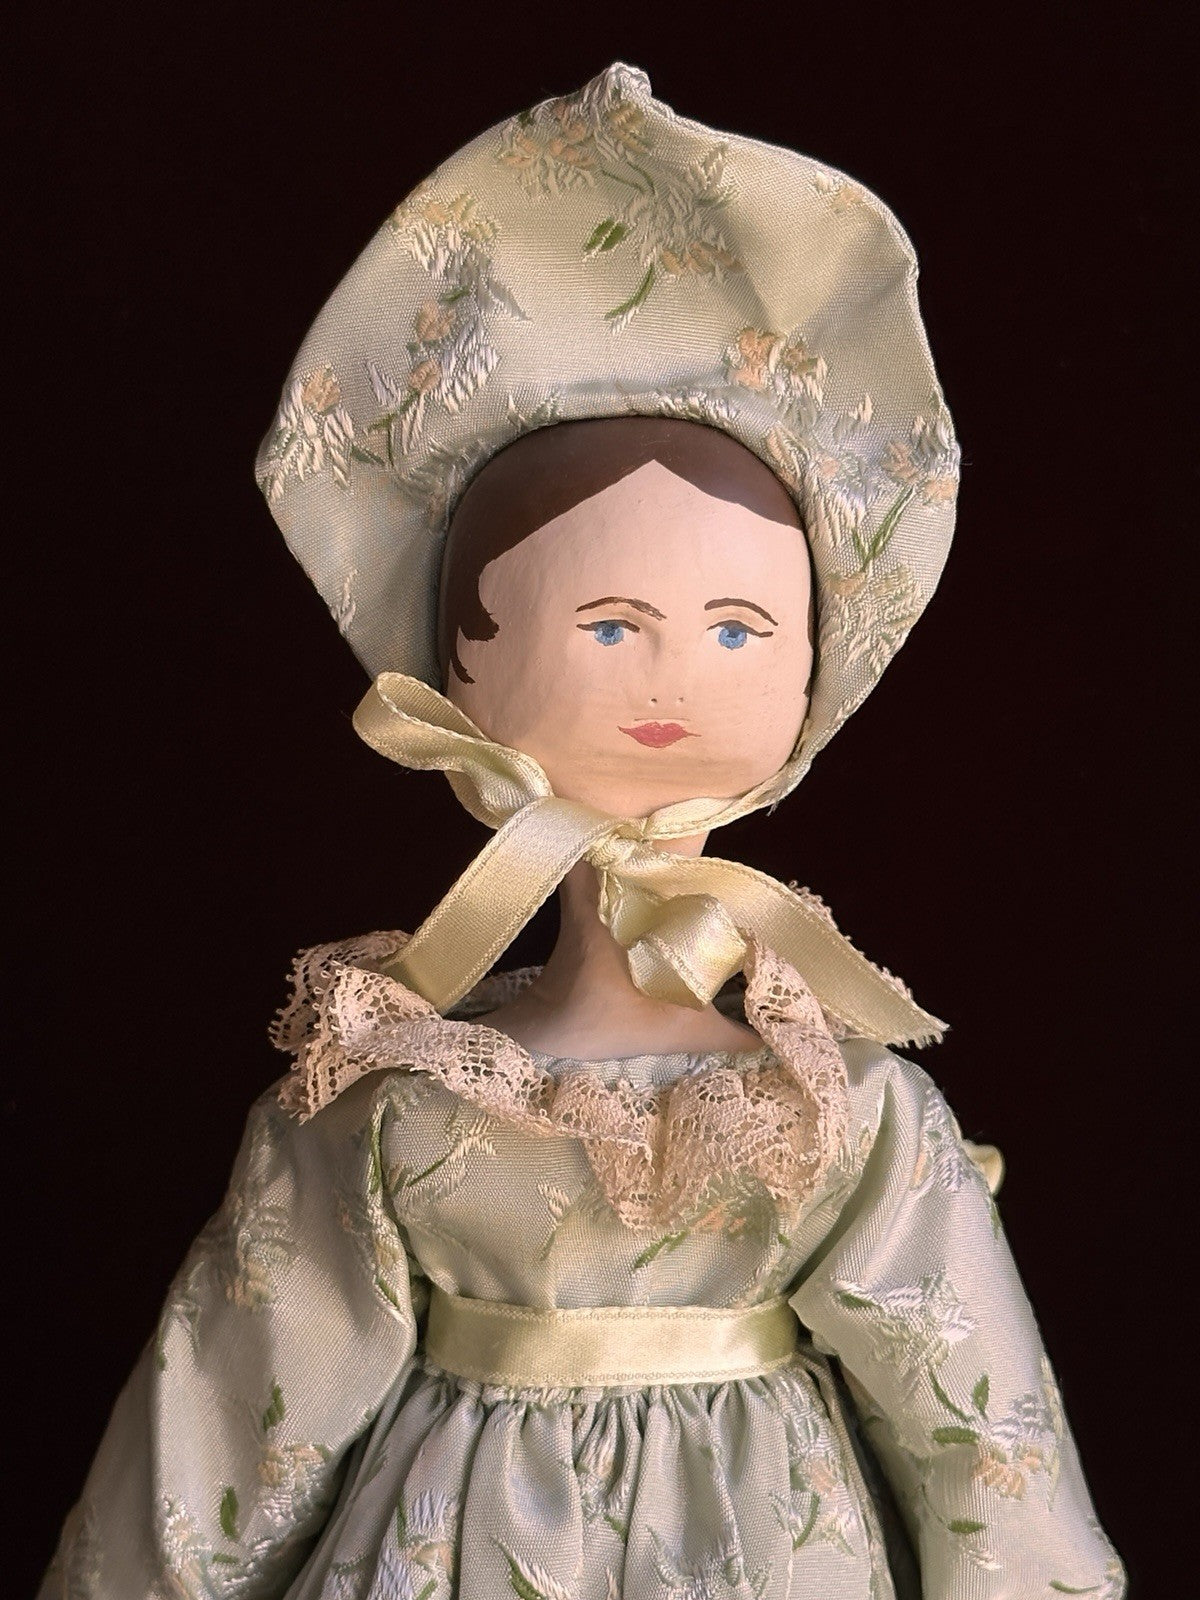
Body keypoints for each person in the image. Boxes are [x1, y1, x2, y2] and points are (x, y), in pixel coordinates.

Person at [39, 64, 1124, 1600]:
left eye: (740, 627)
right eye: (610, 625)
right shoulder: (389, 1107)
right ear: (461, 670)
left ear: (816, 667)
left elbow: (979, 1444)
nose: (677, 672)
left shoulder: (848, 1114)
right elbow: (231, 1423)